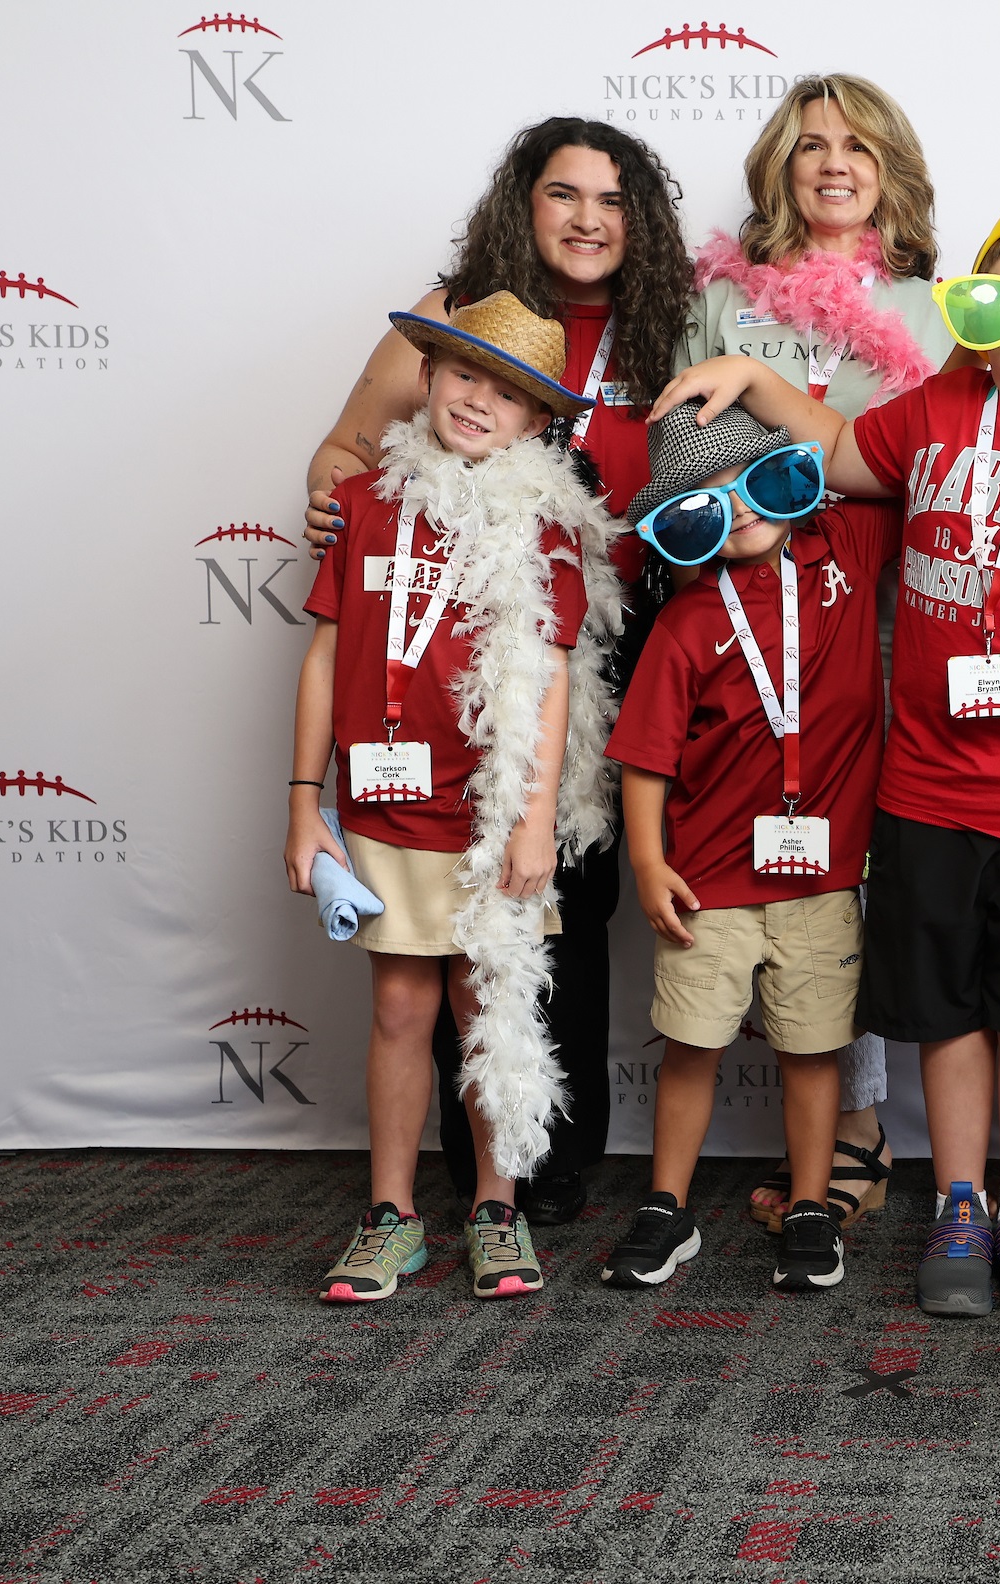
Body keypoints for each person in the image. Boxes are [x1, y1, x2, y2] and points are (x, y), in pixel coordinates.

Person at [654, 203, 1000, 1319]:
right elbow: (839, 450)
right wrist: (742, 374)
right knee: (947, 1009)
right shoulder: (937, 411)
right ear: (973, 318)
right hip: (929, 786)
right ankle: (961, 1200)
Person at [299, 117, 697, 1225]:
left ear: (641, 223)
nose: (587, 218)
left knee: (568, 891)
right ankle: (461, 1168)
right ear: (523, 205)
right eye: (564, 194)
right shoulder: (458, 316)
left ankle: (546, 1160)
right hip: (461, 631)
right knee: (445, 915)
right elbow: (343, 449)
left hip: (617, 632)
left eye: (612, 201)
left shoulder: (671, 323)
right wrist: (335, 497)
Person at [284, 294, 622, 1303]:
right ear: (426, 377)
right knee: (399, 1006)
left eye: (510, 393)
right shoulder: (364, 503)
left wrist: (530, 823)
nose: (480, 400)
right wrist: (306, 802)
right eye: (466, 373)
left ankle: (495, 1207)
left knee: (489, 1004)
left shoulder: (544, 525)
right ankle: (391, 1215)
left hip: (483, 817)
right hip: (382, 810)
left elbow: (550, 681)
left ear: (535, 423)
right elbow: (326, 655)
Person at [683, 74, 953, 1231]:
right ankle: (836, 1118)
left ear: (891, 166)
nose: (833, 164)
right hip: (750, 612)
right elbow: (682, 445)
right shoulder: (721, 304)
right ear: (778, 171)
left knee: (866, 858)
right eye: (809, 147)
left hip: (893, 613)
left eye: (856, 145)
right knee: (779, 853)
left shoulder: (940, 312)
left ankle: (860, 1120)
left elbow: (932, 470)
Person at [598, 405, 893, 1294]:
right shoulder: (688, 622)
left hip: (825, 877)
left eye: (755, 483)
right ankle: (665, 1205)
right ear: (681, 529)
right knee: (691, 1044)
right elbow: (646, 761)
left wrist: (766, 384)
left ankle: (811, 1205)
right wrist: (649, 864)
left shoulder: (846, 549)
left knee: (812, 1052)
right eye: (705, 505)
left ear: (793, 477)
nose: (739, 509)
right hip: (710, 883)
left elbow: (900, 452)